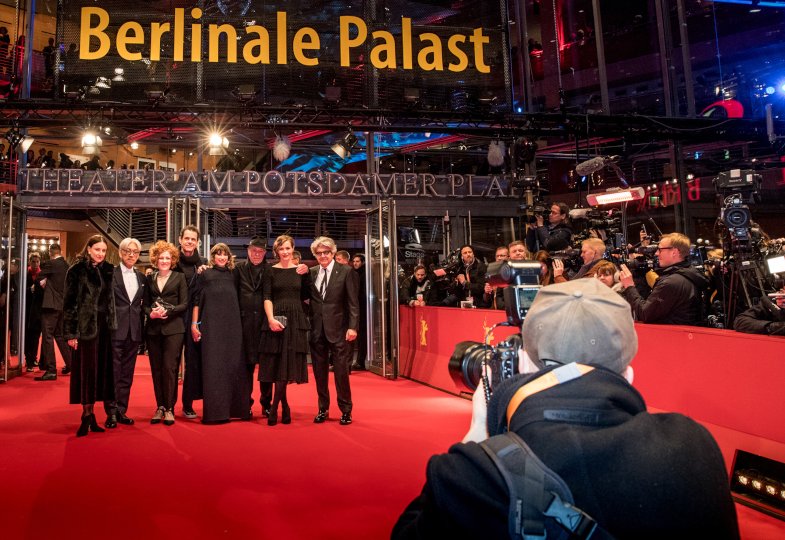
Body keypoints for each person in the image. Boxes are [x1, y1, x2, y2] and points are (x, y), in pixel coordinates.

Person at [392, 279, 739, 539]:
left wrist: (479, 434)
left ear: (524, 363)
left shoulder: (473, 474)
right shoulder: (693, 447)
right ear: (629, 374)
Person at [63, 235, 117, 438]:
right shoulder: (76, 270)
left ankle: (93, 414)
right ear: (89, 249)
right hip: (85, 330)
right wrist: (71, 332)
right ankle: (86, 414)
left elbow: (110, 300)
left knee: (101, 372)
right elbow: (69, 304)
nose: (101, 254)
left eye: (103, 250)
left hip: (105, 329)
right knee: (87, 373)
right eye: (97, 250)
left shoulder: (109, 270)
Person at [190, 243, 249, 424]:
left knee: (234, 366)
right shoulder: (204, 274)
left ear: (229, 257)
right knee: (213, 368)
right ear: (213, 256)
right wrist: (194, 324)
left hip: (233, 327)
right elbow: (197, 300)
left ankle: (236, 410)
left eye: (225, 255)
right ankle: (215, 412)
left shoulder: (234, 274)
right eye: (218, 254)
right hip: (211, 327)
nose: (222, 257)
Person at [260, 235, 312, 425]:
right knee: (277, 365)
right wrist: (271, 319)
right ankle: (284, 407)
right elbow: (267, 297)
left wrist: (307, 273)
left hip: (295, 319)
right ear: (276, 251)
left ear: (293, 249)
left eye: (288, 248)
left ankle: (275, 408)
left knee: (286, 364)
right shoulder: (269, 270)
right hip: (276, 319)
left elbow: (308, 295)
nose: (285, 252)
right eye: (281, 249)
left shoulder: (301, 271)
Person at [309, 236, 359, 426]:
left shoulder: (346, 272)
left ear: (333, 253)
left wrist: (353, 327)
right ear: (315, 254)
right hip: (316, 330)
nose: (323, 256)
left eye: (326, 252)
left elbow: (353, 303)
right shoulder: (311, 273)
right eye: (319, 253)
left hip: (339, 330)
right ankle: (323, 408)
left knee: (341, 373)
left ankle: (346, 410)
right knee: (319, 374)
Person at [619, 233, 708, 325]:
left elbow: (644, 314)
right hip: (684, 335)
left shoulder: (671, 282)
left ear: (674, 252)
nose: (657, 253)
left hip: (672, 336)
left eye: (660, 250)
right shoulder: (689, 274)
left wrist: (629, 286)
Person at [144, 241, 188, 426]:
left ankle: (169, 408)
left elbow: (184, 304)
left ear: (173, 260)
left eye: (167, 258)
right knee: (156, 369)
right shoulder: (149, 278)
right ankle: (159, 406)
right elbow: (144, 305)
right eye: (161, 257)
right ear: (155, 259)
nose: (164, 260)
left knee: (170, 369)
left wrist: (167, 312)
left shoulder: (179, 277)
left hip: (174, 330)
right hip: (153, 330)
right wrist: (151, 313)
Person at [105, 238, 146, 428]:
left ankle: (122, 410)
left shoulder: (141, 277)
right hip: (114, 330)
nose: (131, 255)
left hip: (134, 332)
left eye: (135, 252)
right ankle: (111, 412)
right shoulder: (110, 275)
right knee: (113, 372)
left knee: (127, 374)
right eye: (128, 251)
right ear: (120, 253)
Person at [235, 236, 274, 416]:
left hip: (266, 325)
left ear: (265, 253)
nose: (257, 254)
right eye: (253, 251)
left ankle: (266, 404)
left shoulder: (271, 270)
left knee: (266, 368)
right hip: (244, 325)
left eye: (260, 251)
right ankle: (245, 404)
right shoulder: (238, 269)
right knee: (246, 368)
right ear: (248, 251)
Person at [173, 225, 206, 419]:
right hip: (174, 318)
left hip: (194, 318)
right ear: (180, 239)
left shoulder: (202, 263)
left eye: (193, 239)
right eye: (187, 238)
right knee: (172, 364)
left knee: (193, 364)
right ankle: (166, 405)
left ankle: (187, 404)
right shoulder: (172, 260)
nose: (189, 242)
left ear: (197, 242)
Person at [35, 244, 72, 380]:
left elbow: (38, 277)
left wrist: (44, 281)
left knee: (47, 336)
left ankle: (51, 370)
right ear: (60, 252)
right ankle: (71, 364)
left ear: (50, 252)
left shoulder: (51, 264)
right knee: (60, 336)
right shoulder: (67, 265)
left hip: (51, 306)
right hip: (62, 306)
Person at [24, 251, 44, 372]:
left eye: (37, 261)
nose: (35, 264)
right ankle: (29, 360)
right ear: (29, 262)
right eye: (33, 261)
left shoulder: (42, 275)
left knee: (36, 335)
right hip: (26, 309)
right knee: (28, 335)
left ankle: (34, 357)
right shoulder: (25, 274)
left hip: (38, 309)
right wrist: (29, 289)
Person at [350, 253, 368, 371]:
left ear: (362, 262)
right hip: (357, 307)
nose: (355, 263)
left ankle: (360, 361)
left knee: (362, 336)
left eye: (358, 261)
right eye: (354, 261)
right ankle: (358, 361)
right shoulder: (353, 273)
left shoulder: (365, 274)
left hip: (364, 308)